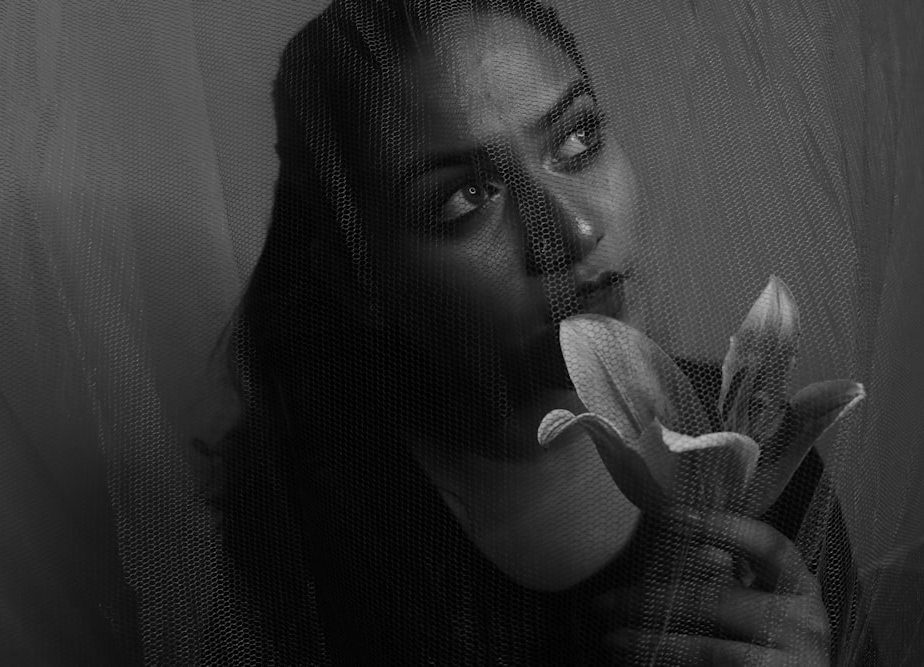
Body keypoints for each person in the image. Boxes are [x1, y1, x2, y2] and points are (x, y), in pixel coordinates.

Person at [201, 0, 841, 663]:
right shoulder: (312, 534)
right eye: (466, 196)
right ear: (363, 277)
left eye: (576, 139)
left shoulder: (757, 434)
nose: (578, 230)